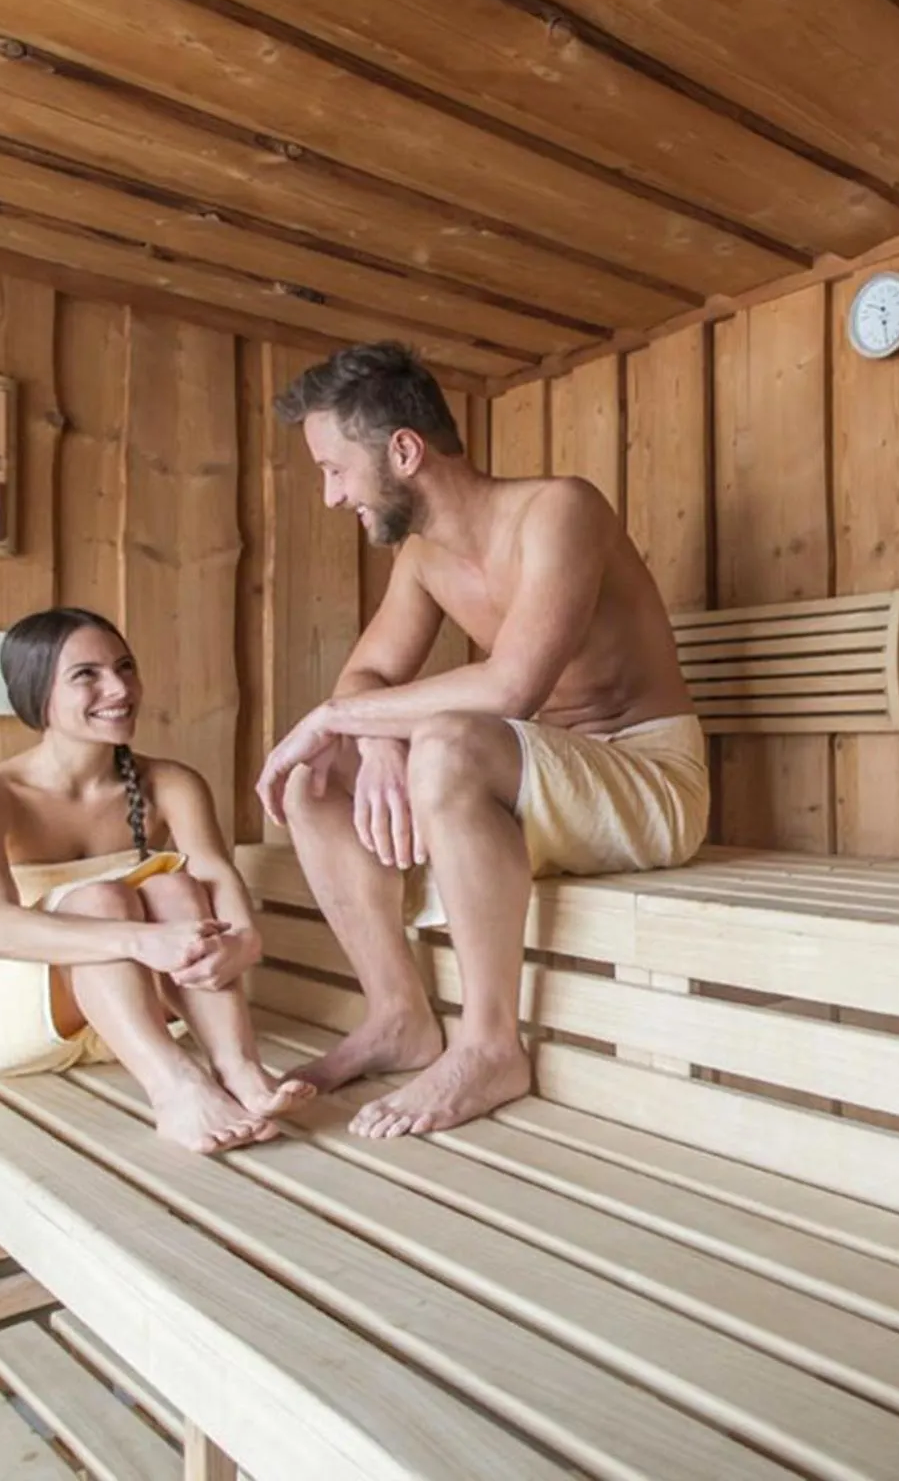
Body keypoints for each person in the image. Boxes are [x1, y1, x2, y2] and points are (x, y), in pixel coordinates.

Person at [256, 342, 707, 1139]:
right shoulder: (423, 559)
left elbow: (510, 689)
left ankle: (491, 1043)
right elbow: (365, 679)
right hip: (535, 793)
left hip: (649, 782)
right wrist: (378, 741)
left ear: (404, 450)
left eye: (334, 469)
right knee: (315, 783)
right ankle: (398, 1014)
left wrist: (349, 721)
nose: (331, 496)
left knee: (445, 742)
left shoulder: (559, 511)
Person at [0, 608, 311, 1152]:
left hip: (124, 1017)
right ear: (38, 692)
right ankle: (174, 1090)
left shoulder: (170, 782)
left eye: (125, 667)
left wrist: (244, 940)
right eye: (87, 674)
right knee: (106, 899)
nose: (119, 687)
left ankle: (239, 1070)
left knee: (174, 888)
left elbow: (214, 875)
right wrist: (143, 940)